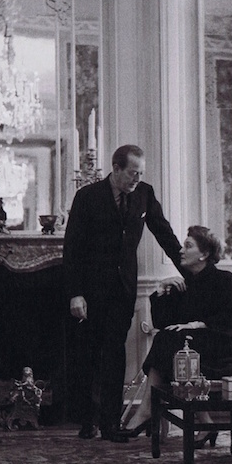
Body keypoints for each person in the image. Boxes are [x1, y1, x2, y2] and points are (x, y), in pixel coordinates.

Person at [63, 144, 183, 443]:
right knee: (89, 354)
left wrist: (191, 267)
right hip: (90, 292)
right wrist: (75, 294)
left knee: (115, 353)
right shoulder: (87, 197)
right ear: (115, 169)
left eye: (140, 173)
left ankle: (110, 424)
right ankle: (87, 420)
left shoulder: (144, 194)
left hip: (123, 289)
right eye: (132, 173)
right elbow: (72, 250)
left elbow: (163, 232)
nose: (136, 179)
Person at [119, 225, 232, 447]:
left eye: (188, 246)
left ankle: (145, 411)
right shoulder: (183, 284)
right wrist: (162, 290)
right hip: (196, 343)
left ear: (204, 254)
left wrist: (199, 324)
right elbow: (163, 324)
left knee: (173, 344)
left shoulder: (223, 278)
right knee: (170, 343)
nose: (181, 250)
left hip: (228, 339)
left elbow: (231, 316)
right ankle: (205, 423)